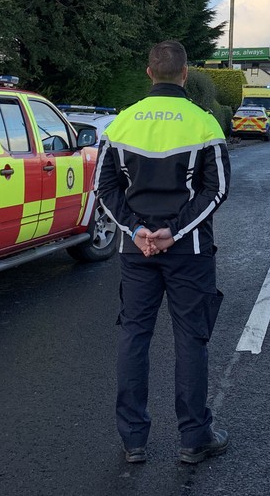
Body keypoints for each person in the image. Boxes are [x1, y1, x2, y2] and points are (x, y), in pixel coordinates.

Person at [96, 40, 232, 466]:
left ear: (149, 72)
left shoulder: (121, 125)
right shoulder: (205, 124)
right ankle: (194, 437)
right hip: (189, 250)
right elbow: (218, 189)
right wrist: (172, 232)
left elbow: (104, 188)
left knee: (134, 335)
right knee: (191, 338)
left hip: (136, 251)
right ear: (185, 74)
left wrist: (137, 230)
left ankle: (133, 440)